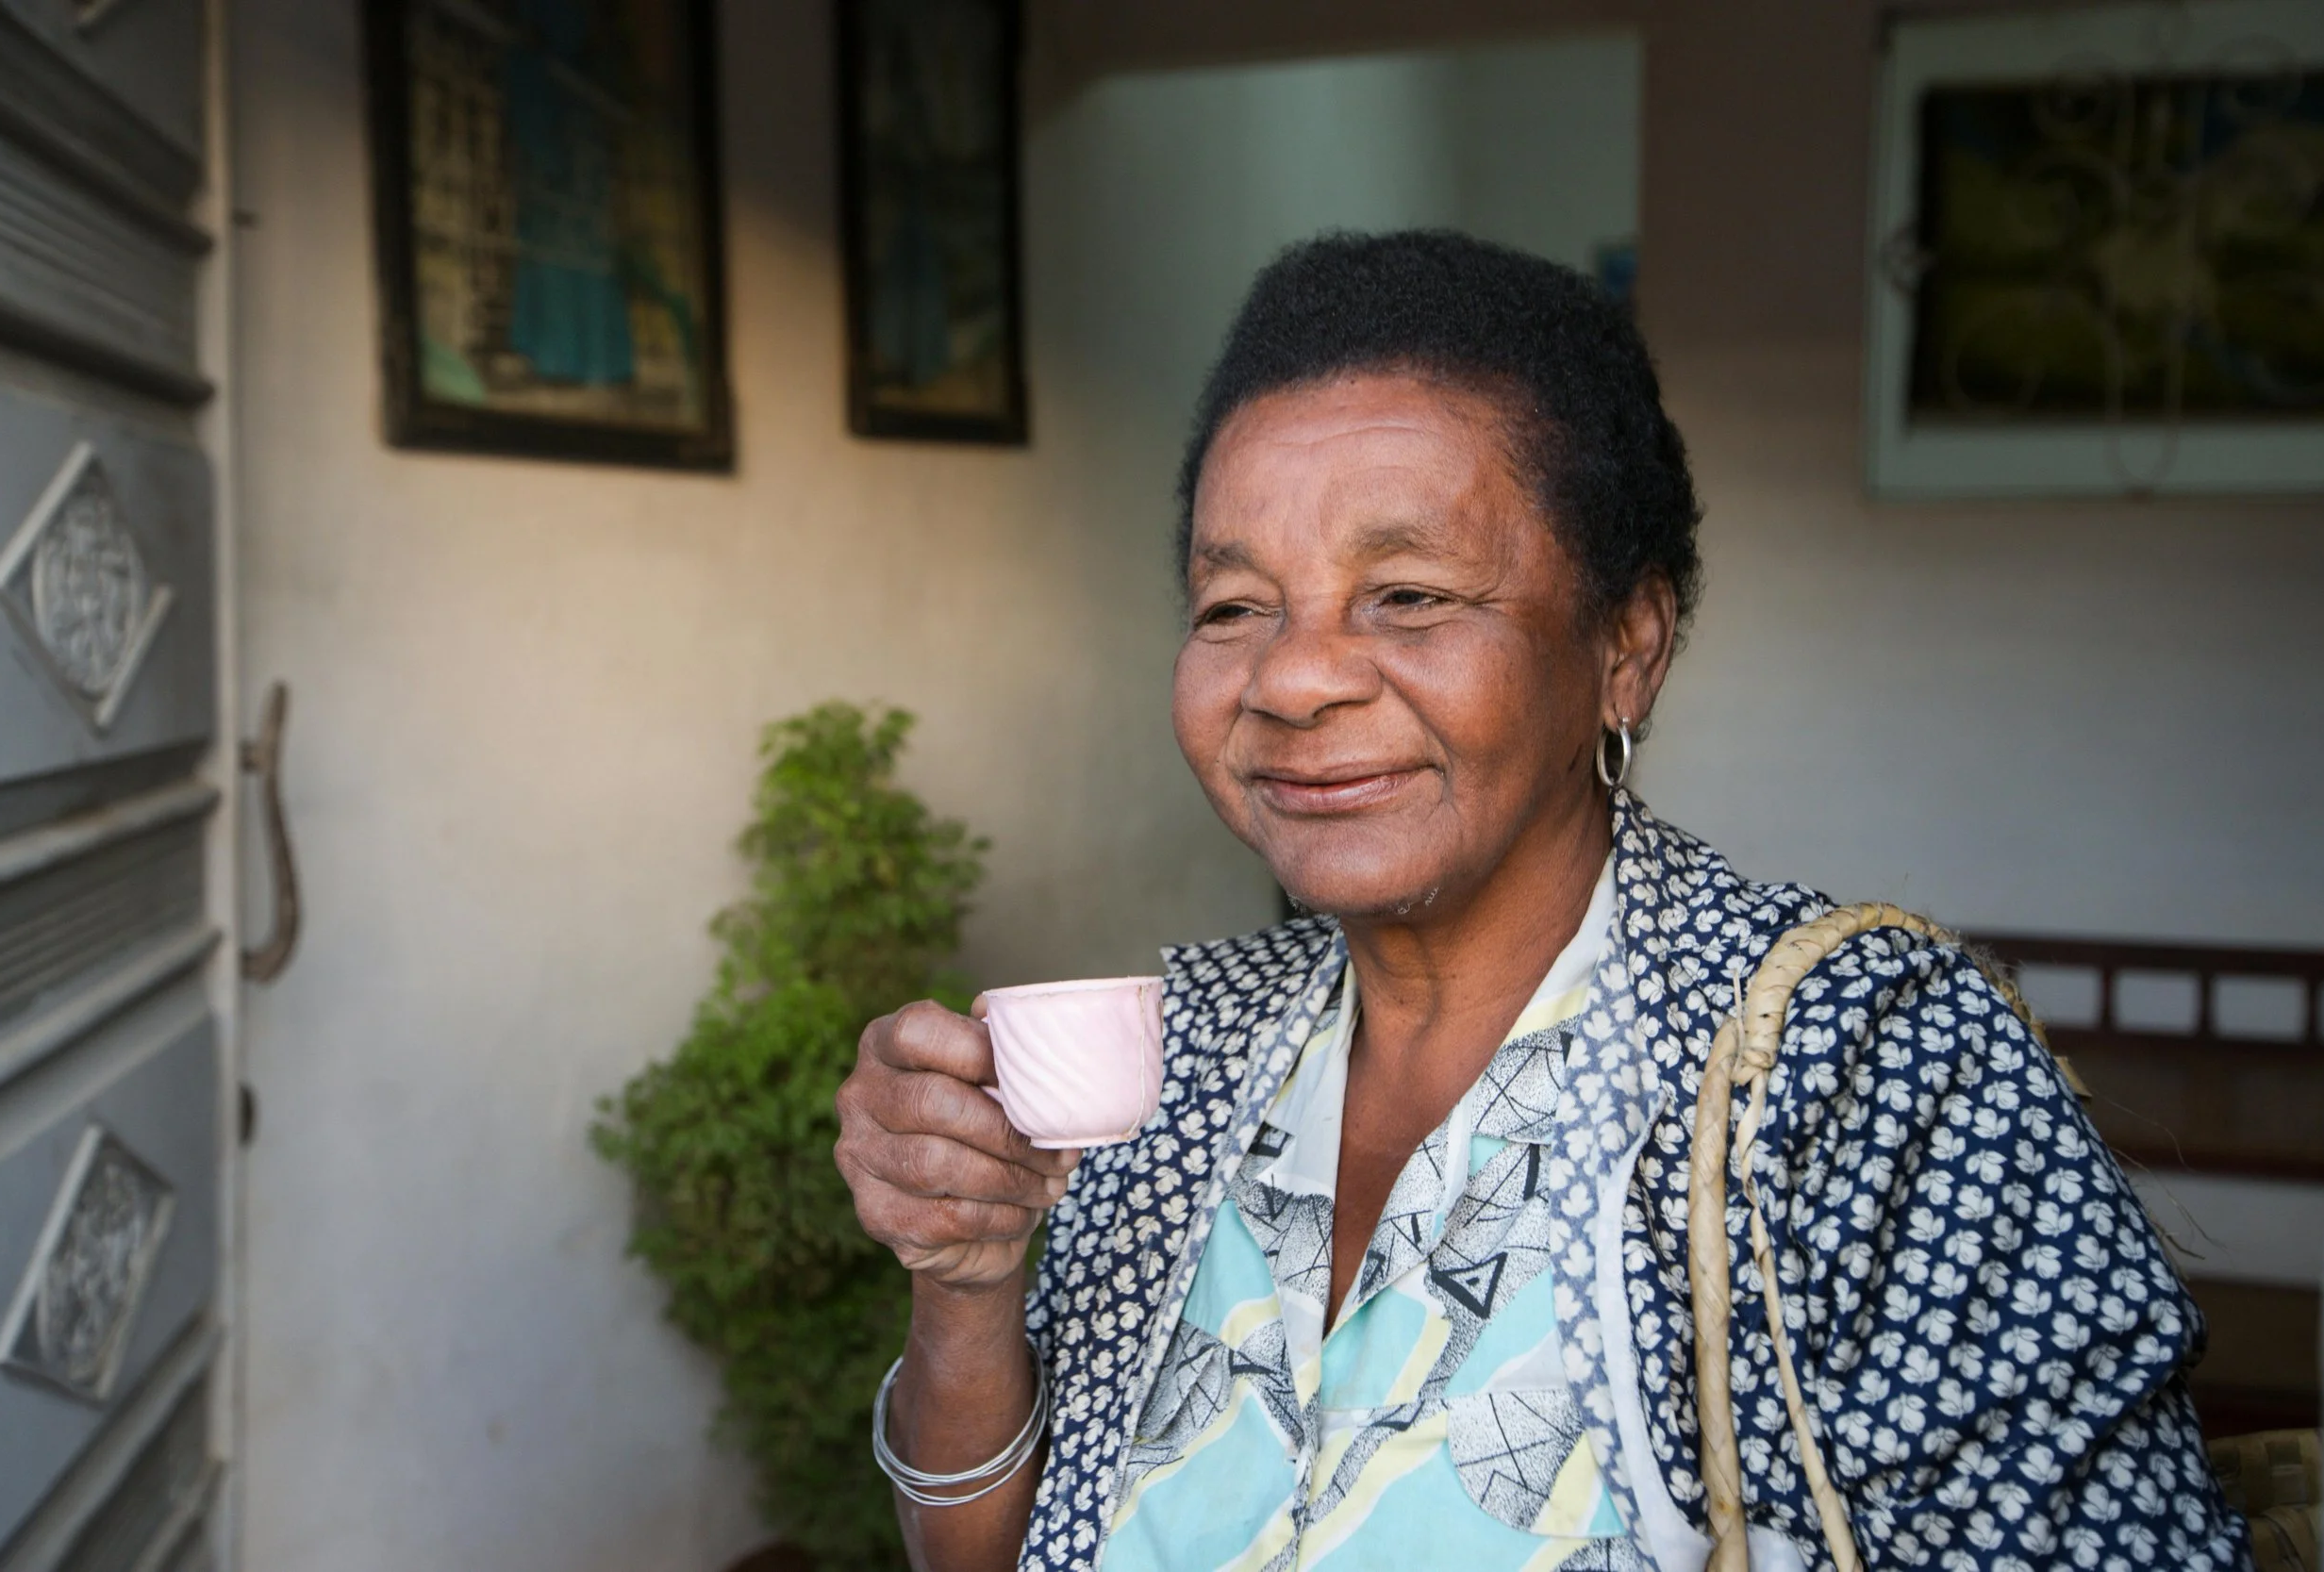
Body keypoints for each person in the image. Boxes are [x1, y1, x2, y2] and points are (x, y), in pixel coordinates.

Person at [832, 230, 2249, 1572]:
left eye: (1408, 594)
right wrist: (967, 1279)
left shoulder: (1857, 1065)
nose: (1291, 676)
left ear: (1626, 647)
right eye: (1232, 606)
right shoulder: (1178, 1060)